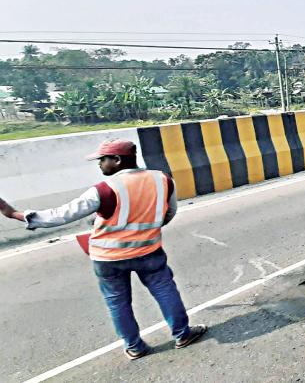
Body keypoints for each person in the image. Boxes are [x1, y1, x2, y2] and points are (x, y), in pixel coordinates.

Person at [0, 139, 207, 360]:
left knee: (117, 301)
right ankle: (182, 335)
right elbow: (169, 212)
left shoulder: (104, 190)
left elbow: (62, 215)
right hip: (149, 251)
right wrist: (148, 229)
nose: (100, 165)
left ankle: (135, 347)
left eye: (102, 160)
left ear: (117, 160)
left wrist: (15, 214)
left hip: (108, 259)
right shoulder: (163, 179)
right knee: (165, 290)